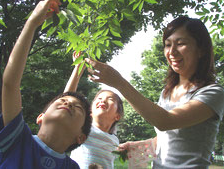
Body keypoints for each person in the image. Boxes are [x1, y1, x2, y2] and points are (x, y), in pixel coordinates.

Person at [85, 16, 224, 168]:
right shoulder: (167, 91)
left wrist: (119, 82)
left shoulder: (213, 93)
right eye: (167, 45)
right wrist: (142, 145)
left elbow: (166, 121)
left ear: (201, 49)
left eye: (181, 43)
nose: (172, 52)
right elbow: (168, 137)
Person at [0, 0, 92, 168]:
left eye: (78, 107)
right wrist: (32, 23)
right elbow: (10, 84)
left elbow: (66, 97)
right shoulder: (18, 140)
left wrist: (78, 71)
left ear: (81, 137)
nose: (67, 103)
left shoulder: (71, 167)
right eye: (62, 101)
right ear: (40, 118)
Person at [64, 52, 124, 169]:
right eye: (99, 98)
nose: (103, 100)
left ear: (117, 116)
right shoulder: (83, 128)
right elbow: (67, 98)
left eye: (110, 99)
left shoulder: (114, 139)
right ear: (90, 112)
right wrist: (78, 68)